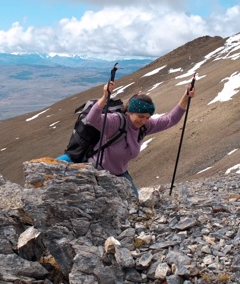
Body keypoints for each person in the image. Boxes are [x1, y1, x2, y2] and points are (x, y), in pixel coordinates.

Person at [59, 80, 196, 197]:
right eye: (140, 116)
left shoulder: (145, 126)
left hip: (120, 173)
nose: (144, 121)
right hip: (98, 171)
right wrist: (104, 98)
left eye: (147, 117)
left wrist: (186, 96)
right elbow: (92, 119)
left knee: (133, 202)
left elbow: (170, 120)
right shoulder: (116, 121)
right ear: (130, 112)